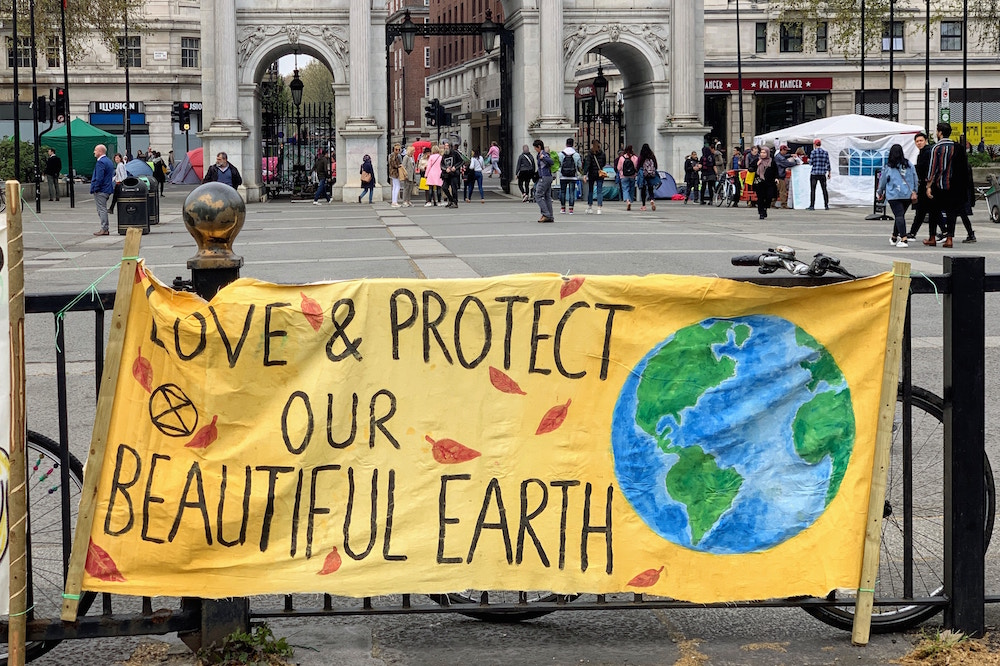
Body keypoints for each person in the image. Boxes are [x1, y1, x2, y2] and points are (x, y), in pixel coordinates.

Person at [924, 122, 962, 247]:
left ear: (940, 132)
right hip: (953, 185)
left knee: (934, 211)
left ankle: (932, 237)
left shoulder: (936, 148)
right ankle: (949, 238)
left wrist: (928, 185)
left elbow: (932, 167)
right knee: (951, 212)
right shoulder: (956, 147)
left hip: (938, 184)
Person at [876, 144, 918, 248]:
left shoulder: (888, 166)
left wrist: (880, 192)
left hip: (894, 194)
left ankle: (903, 239)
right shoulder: (909, 164)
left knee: (899, 216)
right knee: (900, 215)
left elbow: (883, 181)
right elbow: (915, 178)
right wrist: (915, 191)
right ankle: (894, 236)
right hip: (907, 194)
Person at [907, 132, 932, 240]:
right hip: (923, 185)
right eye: (917, 141)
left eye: (921, 141)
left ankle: (913, 233)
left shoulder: (927, 152)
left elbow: (925, 168)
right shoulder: (922, 152)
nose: (919, 143)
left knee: (925, 210)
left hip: (927, 185)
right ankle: (913, 232)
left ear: (925, 140)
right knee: (923, 210)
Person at [90, 144, 115, 236]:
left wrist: (95, 188)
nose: (94, 152)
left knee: (101, 209)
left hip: (101, 189)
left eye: (95, 150)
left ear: (100, 152)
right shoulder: (108, 161)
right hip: (107, 188)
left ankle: (104, 228)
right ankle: (105, 228)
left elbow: (99, 177)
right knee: (102, 208)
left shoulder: (100, 162)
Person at [558, 138, 582, 214]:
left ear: (566, 144)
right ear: (573, 144)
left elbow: (558, 164)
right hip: (573, 176)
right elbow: (579, 165)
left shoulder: (561, 154)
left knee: (562, 192)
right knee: (572, 192)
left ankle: (563, 208)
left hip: (563, 176)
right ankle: (571, 209)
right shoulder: (576, 154)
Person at [533, 139, 554, 223]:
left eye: (535, 147)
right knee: (547, 196)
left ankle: (546, 214)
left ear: (539, 147)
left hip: (544, 177)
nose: (535, 149)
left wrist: (543, 157)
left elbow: (551, 161)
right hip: (547, 176)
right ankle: (550, 216)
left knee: (538, 195)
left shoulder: (543, 154)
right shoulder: (539, 154)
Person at [806, 138, 831, 210]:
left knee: (813, 190)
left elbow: (811, 163)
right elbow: (828, 163)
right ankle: (826, 205)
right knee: (824, 189)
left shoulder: (813, 152)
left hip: (814, 173)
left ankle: (812, 205)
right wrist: (829, 172)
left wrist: (808, 160)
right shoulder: (825, 152)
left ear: (814, 144)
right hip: (822, 173)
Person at [753, 146, 777, 219]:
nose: (762, 154)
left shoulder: (772, 161)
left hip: (769, 182)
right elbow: (750, 168)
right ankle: (761, 212)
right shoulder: (757, 160)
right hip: (759, 182)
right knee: (760, 197)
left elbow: (775, 170)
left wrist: (776, 178)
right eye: (761, 152)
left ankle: (765, 207)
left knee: (769, 196)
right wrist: (757, 164)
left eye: (764, 153)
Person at [583, 139, 606, 214]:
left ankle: (590, 207)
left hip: (592, 173)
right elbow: (604, 163)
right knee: (599, 191)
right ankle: (599, 208)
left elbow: (587, 164)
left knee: (590, 190)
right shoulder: (602, 153)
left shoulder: (590, 153)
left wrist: (585, 174)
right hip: (600, 173)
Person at [637, 143, 659, 211]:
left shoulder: (642, 156)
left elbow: (638, 165)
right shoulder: (652, 156)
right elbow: (656, 165)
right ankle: (652, 199)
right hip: (651, 174)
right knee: (650, 188)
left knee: (643, 189)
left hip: (643, 174)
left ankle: (643, 205)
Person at [440, 140, 462, 208]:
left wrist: (455, 167)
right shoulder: (444, 155)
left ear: (450, 146)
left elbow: (461, 161)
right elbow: (441, 164)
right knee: (444, 187)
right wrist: (446, 168)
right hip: (446, 175)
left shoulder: (455, 153)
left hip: (454, 174)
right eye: (445, 146)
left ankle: (455, 202)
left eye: (447, 146)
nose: (445, 148)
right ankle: (451, 199)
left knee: (454, 188)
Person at [617, 145, 638, 211]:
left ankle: (627, 201)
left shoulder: (622, 158)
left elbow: (618, 168)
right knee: (631, 189)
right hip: (632, 176)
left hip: (624, 176)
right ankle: (631, 200)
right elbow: (636, 167)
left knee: (625, 189)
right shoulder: (635, 158)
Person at [773, 145, 795, 209]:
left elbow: (784, 156)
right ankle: (784, 204)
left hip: (778, 175)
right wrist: (796, 163)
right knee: (783, 191)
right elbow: (787, 163)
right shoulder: (780, 158)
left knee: (776, 190)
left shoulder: (778, 156)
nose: (786, 152)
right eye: (785, 150)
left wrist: (790, 155)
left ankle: (772, 203)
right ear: (782, 150)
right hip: (780, 175)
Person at [388, 143, 403, 207]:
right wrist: (399, 166)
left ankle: (394, 201)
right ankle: (394, 201)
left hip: (393, 172)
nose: (398, 151)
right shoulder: (394, 156)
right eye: (396, 149)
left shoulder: (393, 155)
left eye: (398, 149)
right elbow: (393, 164)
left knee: (394, 187)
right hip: (395, 172)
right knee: (397, 186)